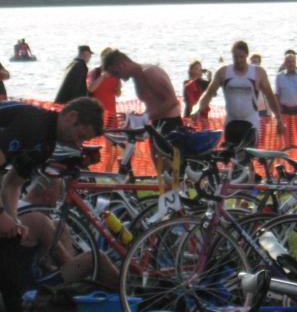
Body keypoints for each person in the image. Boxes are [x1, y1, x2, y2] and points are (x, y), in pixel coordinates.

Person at [0, 176, 118, 310]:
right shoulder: (38, 219)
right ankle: (128, 297)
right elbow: (66, 261)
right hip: (31, 290)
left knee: (60, 226)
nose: (55, 207)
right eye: (55, 202)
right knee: (96, 258)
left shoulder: (14, 208)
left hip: (16, 284)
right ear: (47, 197)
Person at [0, 97, 104, 239]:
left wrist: (14, 222)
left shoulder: (46, 145)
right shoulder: (32, 123)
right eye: (80, 136)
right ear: (71, 116)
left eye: (83, 140)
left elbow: (12, 185)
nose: (78, 144)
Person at [192, 41, 284, 149]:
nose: (239, 60)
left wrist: (279, 119)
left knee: (247, 155)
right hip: (231, 122)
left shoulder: (258, 72)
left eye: (241, 57)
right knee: (231, 155)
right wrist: (197, 109)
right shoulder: (223, 72)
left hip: (251, 122)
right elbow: (208, 94)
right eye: (235, 57)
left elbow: (270, 96)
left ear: (247, 55)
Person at [102, 50, 182, 164]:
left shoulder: (150, 72)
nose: (117, 78)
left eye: (116, 73)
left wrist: (145, 117)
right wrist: (137, 117)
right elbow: (153, 103)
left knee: (172, 167)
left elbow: (172, 101)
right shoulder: (137, 77)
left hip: (170, 125)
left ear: (122, 65)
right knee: (160, 169)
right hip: (156, 125)